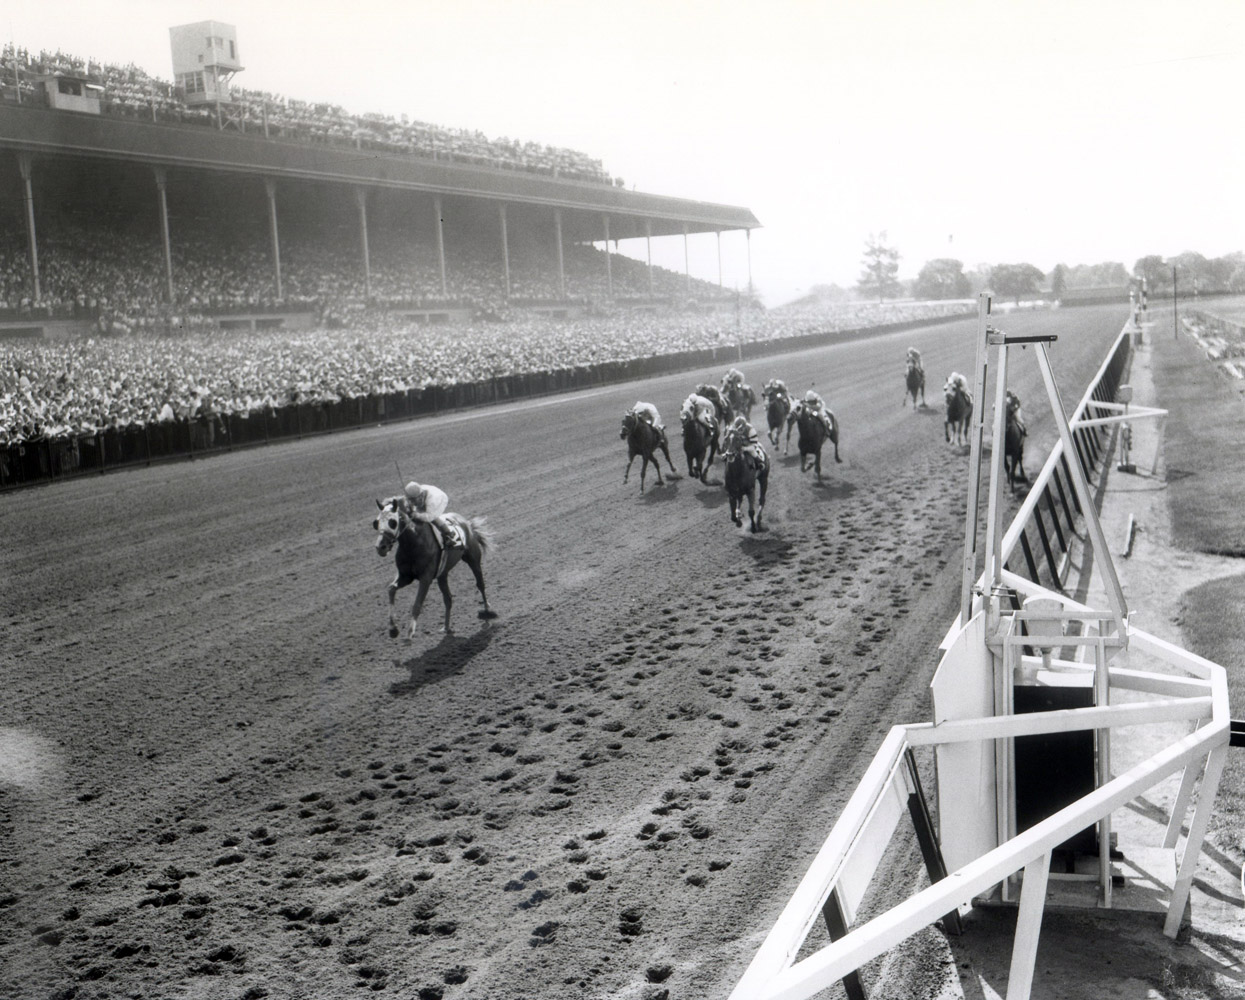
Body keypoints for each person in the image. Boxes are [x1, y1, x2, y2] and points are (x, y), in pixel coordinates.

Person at [402, 480, 463, 551]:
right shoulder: (414, 495)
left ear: (420, 496)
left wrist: (417, 515)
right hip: (426, 497)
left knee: (433, 518)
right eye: (410, 500)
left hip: (441, 500)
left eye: (413, 500)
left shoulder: (433, 500)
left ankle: (449, 535)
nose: (411, 502)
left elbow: (429, 517)